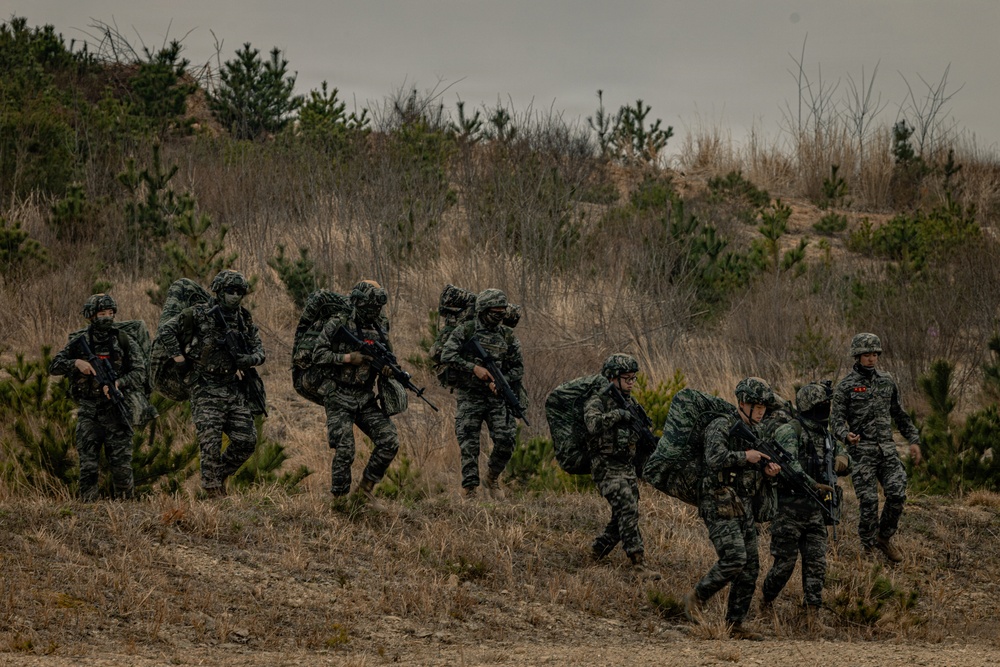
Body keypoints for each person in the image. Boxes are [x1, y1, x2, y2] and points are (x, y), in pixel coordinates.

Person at [684, 377, 781, 641]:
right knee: (735, 558)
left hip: (743, 505)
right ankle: (696, 598)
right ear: (742, 403)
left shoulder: (758, 432)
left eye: (764, 406)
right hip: (718, 501)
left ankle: (735, 623)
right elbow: (714, 459)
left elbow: (752, 472)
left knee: (750, 566)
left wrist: (768, 472)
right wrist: (744, 456)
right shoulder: (721, 425)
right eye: (756, 405)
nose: (761, 411)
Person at [157, 270, 265, 497]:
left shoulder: (243, 319)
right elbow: (166, 330)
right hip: (205, 386)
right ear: (218, 291)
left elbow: (260, 350)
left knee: (247, 440)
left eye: (239, 292)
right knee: (210, 442)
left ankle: (220, 474)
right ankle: (213, 493)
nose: (234, 296)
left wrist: (250, 359)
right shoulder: (199, 314)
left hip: (231, 386)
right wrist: (179, 360)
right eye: (229, 291)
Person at [761, 382, 851, 632]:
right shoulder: (790, 431)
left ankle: (813, 618)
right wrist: (813, 484)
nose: (827, 410)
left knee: (816, 565)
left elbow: (842, 452)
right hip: (788, 511)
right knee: (784, 565)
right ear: (811, 407)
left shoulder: (826, 435)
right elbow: (789, 466)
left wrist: (845, 459)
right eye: (823, 406)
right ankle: (765, 602)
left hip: (816, 512)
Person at [831, 333, 922, 563]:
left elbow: (899, 414)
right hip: (862, 452)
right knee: (869, 501)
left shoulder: (887, 381)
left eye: (874, 355)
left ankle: (884, 537)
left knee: (897, 494)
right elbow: (836, 420)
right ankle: (869, 546)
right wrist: (845, 435)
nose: (871, 359)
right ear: (857, 356)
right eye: (866, 355)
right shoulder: (846, 386)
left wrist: (913, 439)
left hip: (887, 450)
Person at [49, 294, 144, 500]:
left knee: (122, 469)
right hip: (89, 412)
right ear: (92, 316)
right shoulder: (78, 341)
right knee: (88, 467)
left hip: (116, 411)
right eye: (102, 314)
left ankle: (127, 513)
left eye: (111, 314)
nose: (107, 318)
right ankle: (88, 512)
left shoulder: (123, 340)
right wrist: (76, 363)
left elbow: (140, 372)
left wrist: (119, 383)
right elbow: (54, 366)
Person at [312, 280, 400, 500]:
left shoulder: (380, 326)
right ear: (360, 303)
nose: (375, 311)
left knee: (389, 440)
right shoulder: (338, 323)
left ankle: (365, 491)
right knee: (345, 450)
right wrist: (348, 358)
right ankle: (339, 501)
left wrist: (390, 370)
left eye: (378, 308)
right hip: (338, 395)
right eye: (371, 306)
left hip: (364, 397)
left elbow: (390, 356)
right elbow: (318, 355)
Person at [440, 288, 525, 498]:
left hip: (496, 397)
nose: (498, 317)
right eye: (494, 313)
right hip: (470, 395)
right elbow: (447, 355)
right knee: (469, 444)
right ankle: (469, 489)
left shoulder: (506, 335)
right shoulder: (466, 331)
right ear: (483, 310)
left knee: (506, 440)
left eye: (501, 313)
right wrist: (474, 369)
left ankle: (492, 478)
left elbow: (518, 368)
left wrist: (501, 380)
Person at [585, 354, 661, 579]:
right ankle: (638, 564)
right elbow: (592, 424)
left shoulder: (632, 404)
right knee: (627, 507)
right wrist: (618, 415)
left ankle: (598, 550)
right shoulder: (598, 401)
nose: (630, 382)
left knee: (624, 514)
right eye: (626, 378)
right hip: (605, 466)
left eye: (633, 378)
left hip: (626, 467)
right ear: (612, 379)